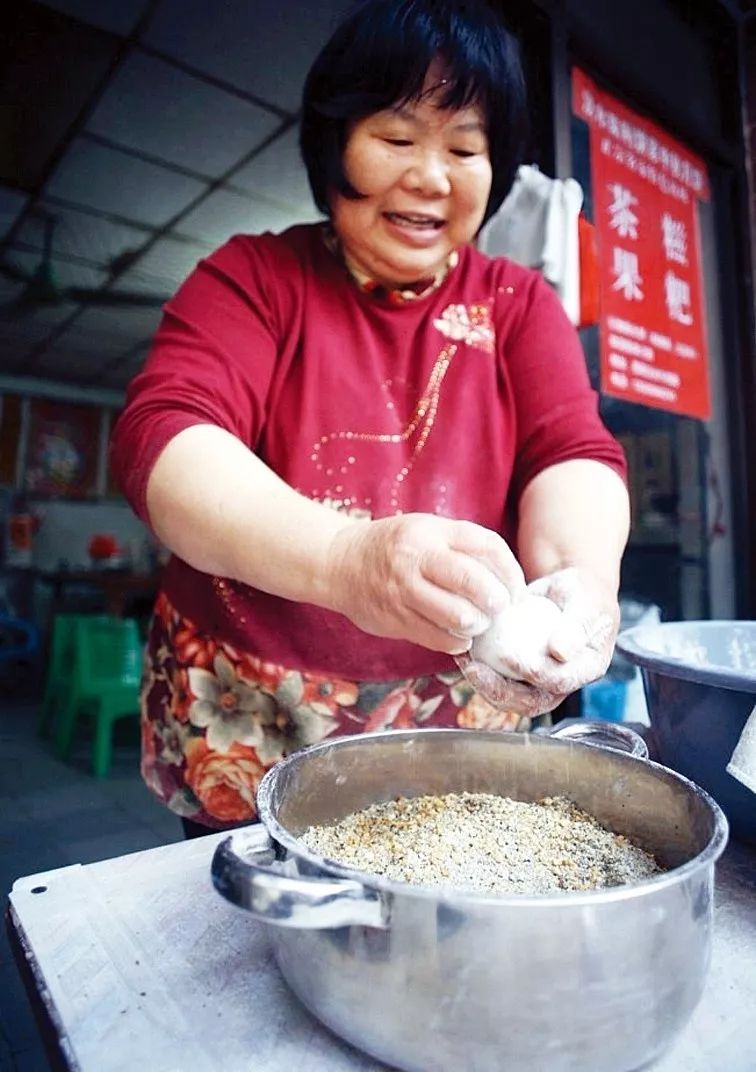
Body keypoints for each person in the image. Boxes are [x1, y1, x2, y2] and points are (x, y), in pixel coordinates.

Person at [111, 0, 629, 837]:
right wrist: (352, 562)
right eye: (396, 138)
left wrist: (580, 587)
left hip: (459, 728)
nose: (432, 176)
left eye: (465, 148)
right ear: (334, 143)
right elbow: (165, 439)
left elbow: (572, 453)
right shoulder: (254, 277)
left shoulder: (518, 305)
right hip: (255, 716)